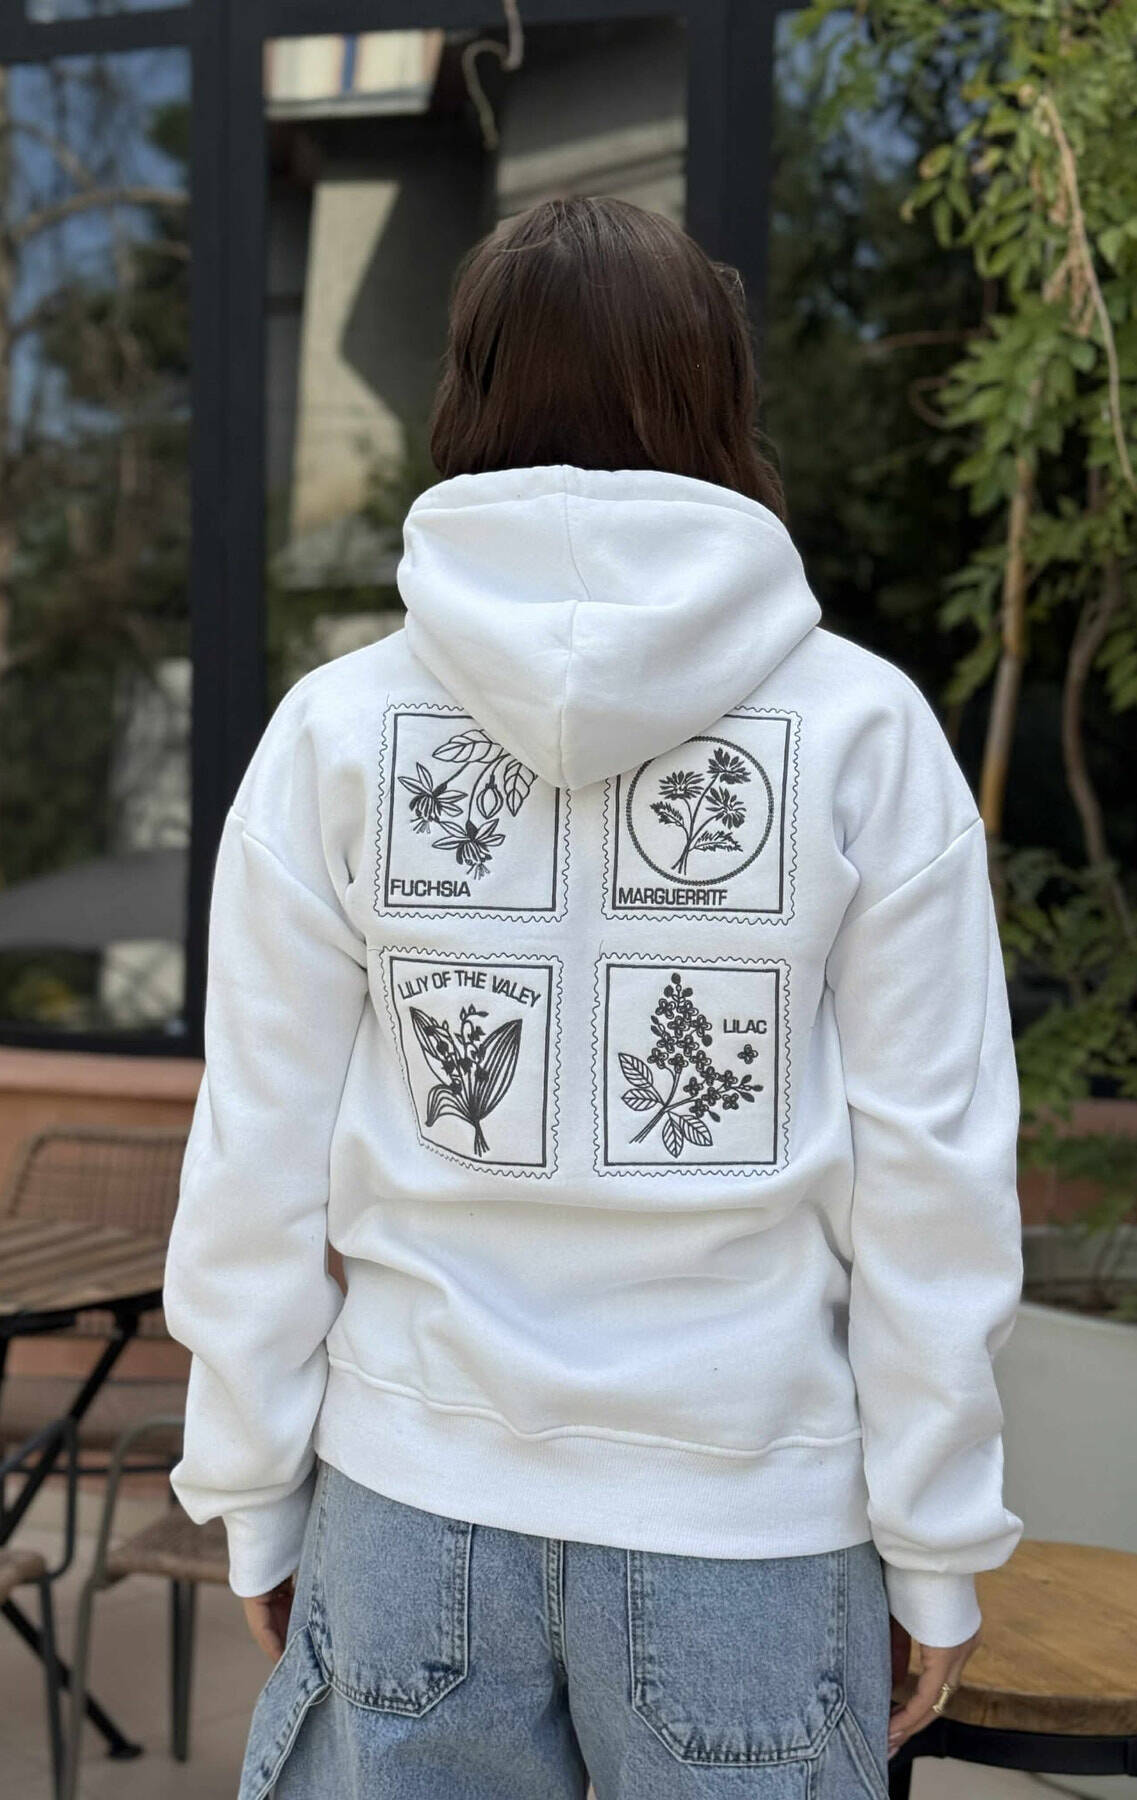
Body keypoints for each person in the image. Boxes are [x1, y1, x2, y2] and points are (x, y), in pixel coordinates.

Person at [162, 195, 1024, 1800]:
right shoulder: (865, 733)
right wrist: (935, 1538)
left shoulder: (337, 732)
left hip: (411, 1502)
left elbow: (254, 1157)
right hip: (749, 1527)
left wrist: (254, 1488)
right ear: (719, 393)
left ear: (467, 395)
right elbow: (932, 1177)